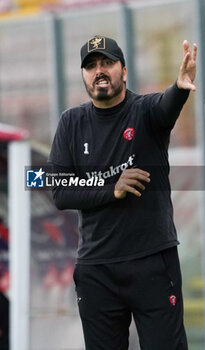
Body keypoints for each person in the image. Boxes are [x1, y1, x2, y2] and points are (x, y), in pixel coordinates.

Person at [49, 35, 197, 350]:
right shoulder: (71, 123)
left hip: (152, 263)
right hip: (97, 269)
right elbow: (59, 191)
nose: (99, 71)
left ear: (124, 71)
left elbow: (166, 105)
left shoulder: (145, 111)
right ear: (84, 75)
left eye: (107, 63)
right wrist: (111, 189)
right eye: (91, 66)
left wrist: (180, 88)